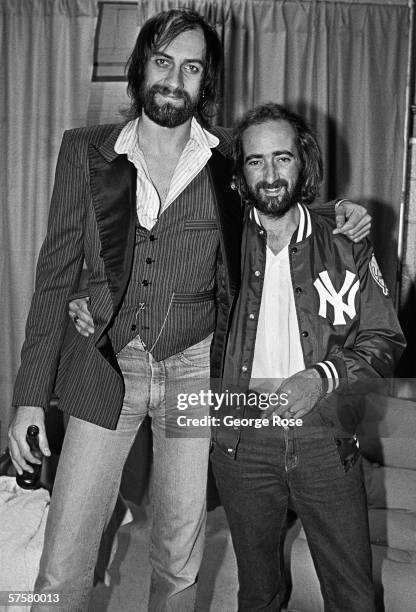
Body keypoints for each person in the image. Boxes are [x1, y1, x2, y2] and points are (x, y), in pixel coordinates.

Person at [7, 8, 371, 611]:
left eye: (193, 67)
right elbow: (53, 279)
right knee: (64, 557)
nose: (175, 78)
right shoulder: (85, 151)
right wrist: (28, 398)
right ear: (141, 67)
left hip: (195, 371)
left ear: (207, 83)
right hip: (105, 367)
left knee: (179, 558)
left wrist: (343, 215)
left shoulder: (229, 156)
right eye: (163, 61)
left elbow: (282, 202)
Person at [209, 103, 406, 611]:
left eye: (283, 158)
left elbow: (385, 338)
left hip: (325, 440)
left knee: (354, 595)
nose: (271, 174)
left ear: (304, 164)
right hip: (241, 446)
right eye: (255, 161)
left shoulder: (347, 243)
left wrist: (321, 377)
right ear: (239, 174)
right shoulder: (219, 244)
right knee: (257, 592)